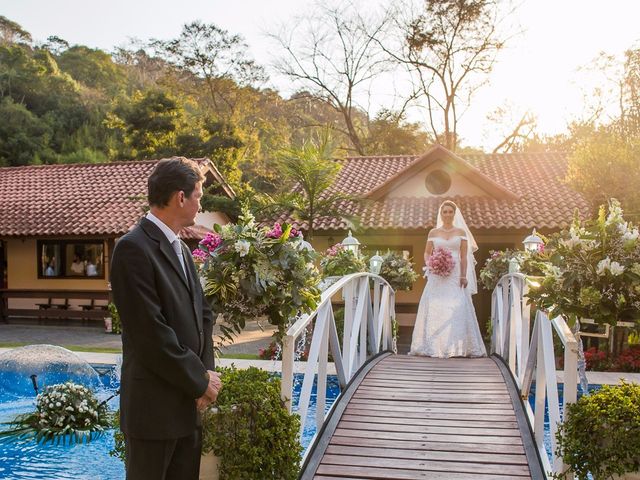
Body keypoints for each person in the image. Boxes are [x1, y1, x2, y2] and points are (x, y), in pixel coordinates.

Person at [110, 158, 221, 480]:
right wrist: (199, 381)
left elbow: (203, 315)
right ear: (180, 197)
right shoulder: (132, 249)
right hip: (153, 410)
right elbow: (150, 334)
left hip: (187, 405)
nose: (200, 205)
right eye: (198, 196)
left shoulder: (182, 249)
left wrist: (207, 374)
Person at [409, 200, 486, 358]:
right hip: (437, 273)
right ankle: (432, 346)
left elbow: (463, 257)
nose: (448, 214)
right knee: (435, 305)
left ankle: (461, 347)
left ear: (454, 214)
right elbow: (426, 252)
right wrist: (431, 263)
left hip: (455, 272)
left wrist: (463, 276)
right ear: (441, 214)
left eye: (450, 211)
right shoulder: (433, 233)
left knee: (457, 306)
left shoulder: (461, 233)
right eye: (445, 212)